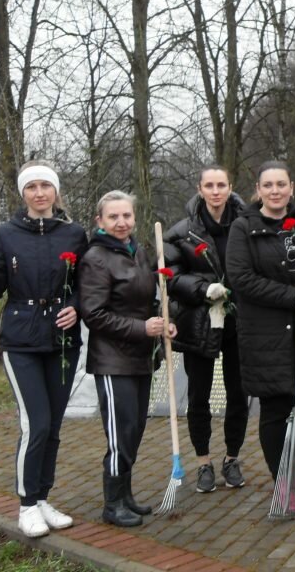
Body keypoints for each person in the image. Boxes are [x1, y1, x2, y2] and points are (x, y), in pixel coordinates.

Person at [0, 161, 87, 538]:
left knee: (54, 426)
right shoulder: (7, 234)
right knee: (36, 423)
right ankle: (26, 505)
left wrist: (76, 306)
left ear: (55, 192)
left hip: (62, 341)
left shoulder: (74, 234)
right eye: (32, 187)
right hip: (21, 341)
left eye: (45, 186)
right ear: (23, 194)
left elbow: (88, 282)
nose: (39, 193)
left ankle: (43, 497)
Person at [226, 161, 295, 514]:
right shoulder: (243, 227)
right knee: (278, 408)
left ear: (292, 187)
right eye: (268, 185)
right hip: (268, 334)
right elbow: (241, 279)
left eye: (281, 184)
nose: (275, 191)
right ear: (258, 190)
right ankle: (283, 481)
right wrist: (292, 297)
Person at [78, 190, 173, 528]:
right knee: (120, 434)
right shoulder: (96, 258)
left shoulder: (139, 252)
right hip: (112, 361)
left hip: (140, 358)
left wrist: (163, 323)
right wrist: (141, 327)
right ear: (100, 221)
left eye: (126, 216)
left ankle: (126, 495)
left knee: (134, 430)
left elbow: (149, 302)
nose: (121, 222)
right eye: (113, 217)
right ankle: (112, 503)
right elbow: (94, 314)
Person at [163, 166, 250, 494]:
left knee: (238, 392)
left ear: (231, 187)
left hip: (239, 321)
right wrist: (203, 289)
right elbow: (168, 273)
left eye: (221, 185)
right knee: (198, 396)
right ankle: (203, 462)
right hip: (199, 323)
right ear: (200, 189)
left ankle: (232, 458)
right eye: (209, 185)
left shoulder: (246, 224)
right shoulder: (183, 231)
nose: (216, 191)